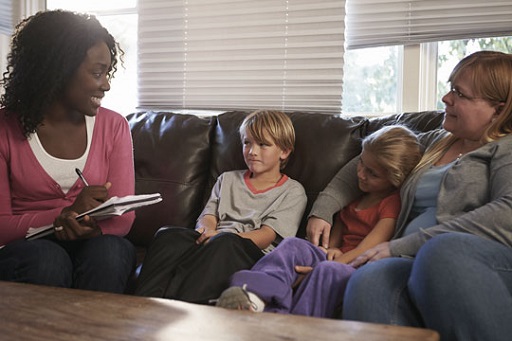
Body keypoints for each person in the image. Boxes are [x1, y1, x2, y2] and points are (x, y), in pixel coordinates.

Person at [308, 51, 512, 340]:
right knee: (368, 280)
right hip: (409, 257)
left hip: (474, 261)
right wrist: (323, 208)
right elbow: (369, 158)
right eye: (450, 87)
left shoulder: (505, 149)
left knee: (441, 251)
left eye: (460, 94)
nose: (446, 98)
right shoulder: (437, 141)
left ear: (497, 109)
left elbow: (507, 214)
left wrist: (403, 245)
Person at [215, 125, 422, 317]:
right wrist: (328, 251)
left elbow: (366, 250)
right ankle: (254, 296)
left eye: (372, 173)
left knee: (327, 270)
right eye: (361, 163)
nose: (360, 174)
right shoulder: (355, 198)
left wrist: (323, 266)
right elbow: (334, 240)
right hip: (339, 258)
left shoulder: (391, 204)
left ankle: (295, 325)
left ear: (395, 179)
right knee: (293, 245)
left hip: (360, 266)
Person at [0, 10, 136, 293]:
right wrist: (62, 215)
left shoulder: (114, 126)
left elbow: (124, 216)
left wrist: (85, 225)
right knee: (48, 259)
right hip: (28, 250)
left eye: (107, 73)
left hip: (92, 241)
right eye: (97, 73)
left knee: (110, 252)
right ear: (57, 70)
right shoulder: (4, 129)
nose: (106, 84)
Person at [135, 110, 307, 304]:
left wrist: (221, 237)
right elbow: (208, 215)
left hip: (249, 252)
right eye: (247, 142)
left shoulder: (292, 191)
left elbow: (267, 235)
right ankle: (144, 305)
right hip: (214, 241)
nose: (252, 151)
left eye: (263, 145)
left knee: (225, 243)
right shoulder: (227, 179)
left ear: (284, 151)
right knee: (168, 235)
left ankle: (186, 308)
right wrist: (207, 231)